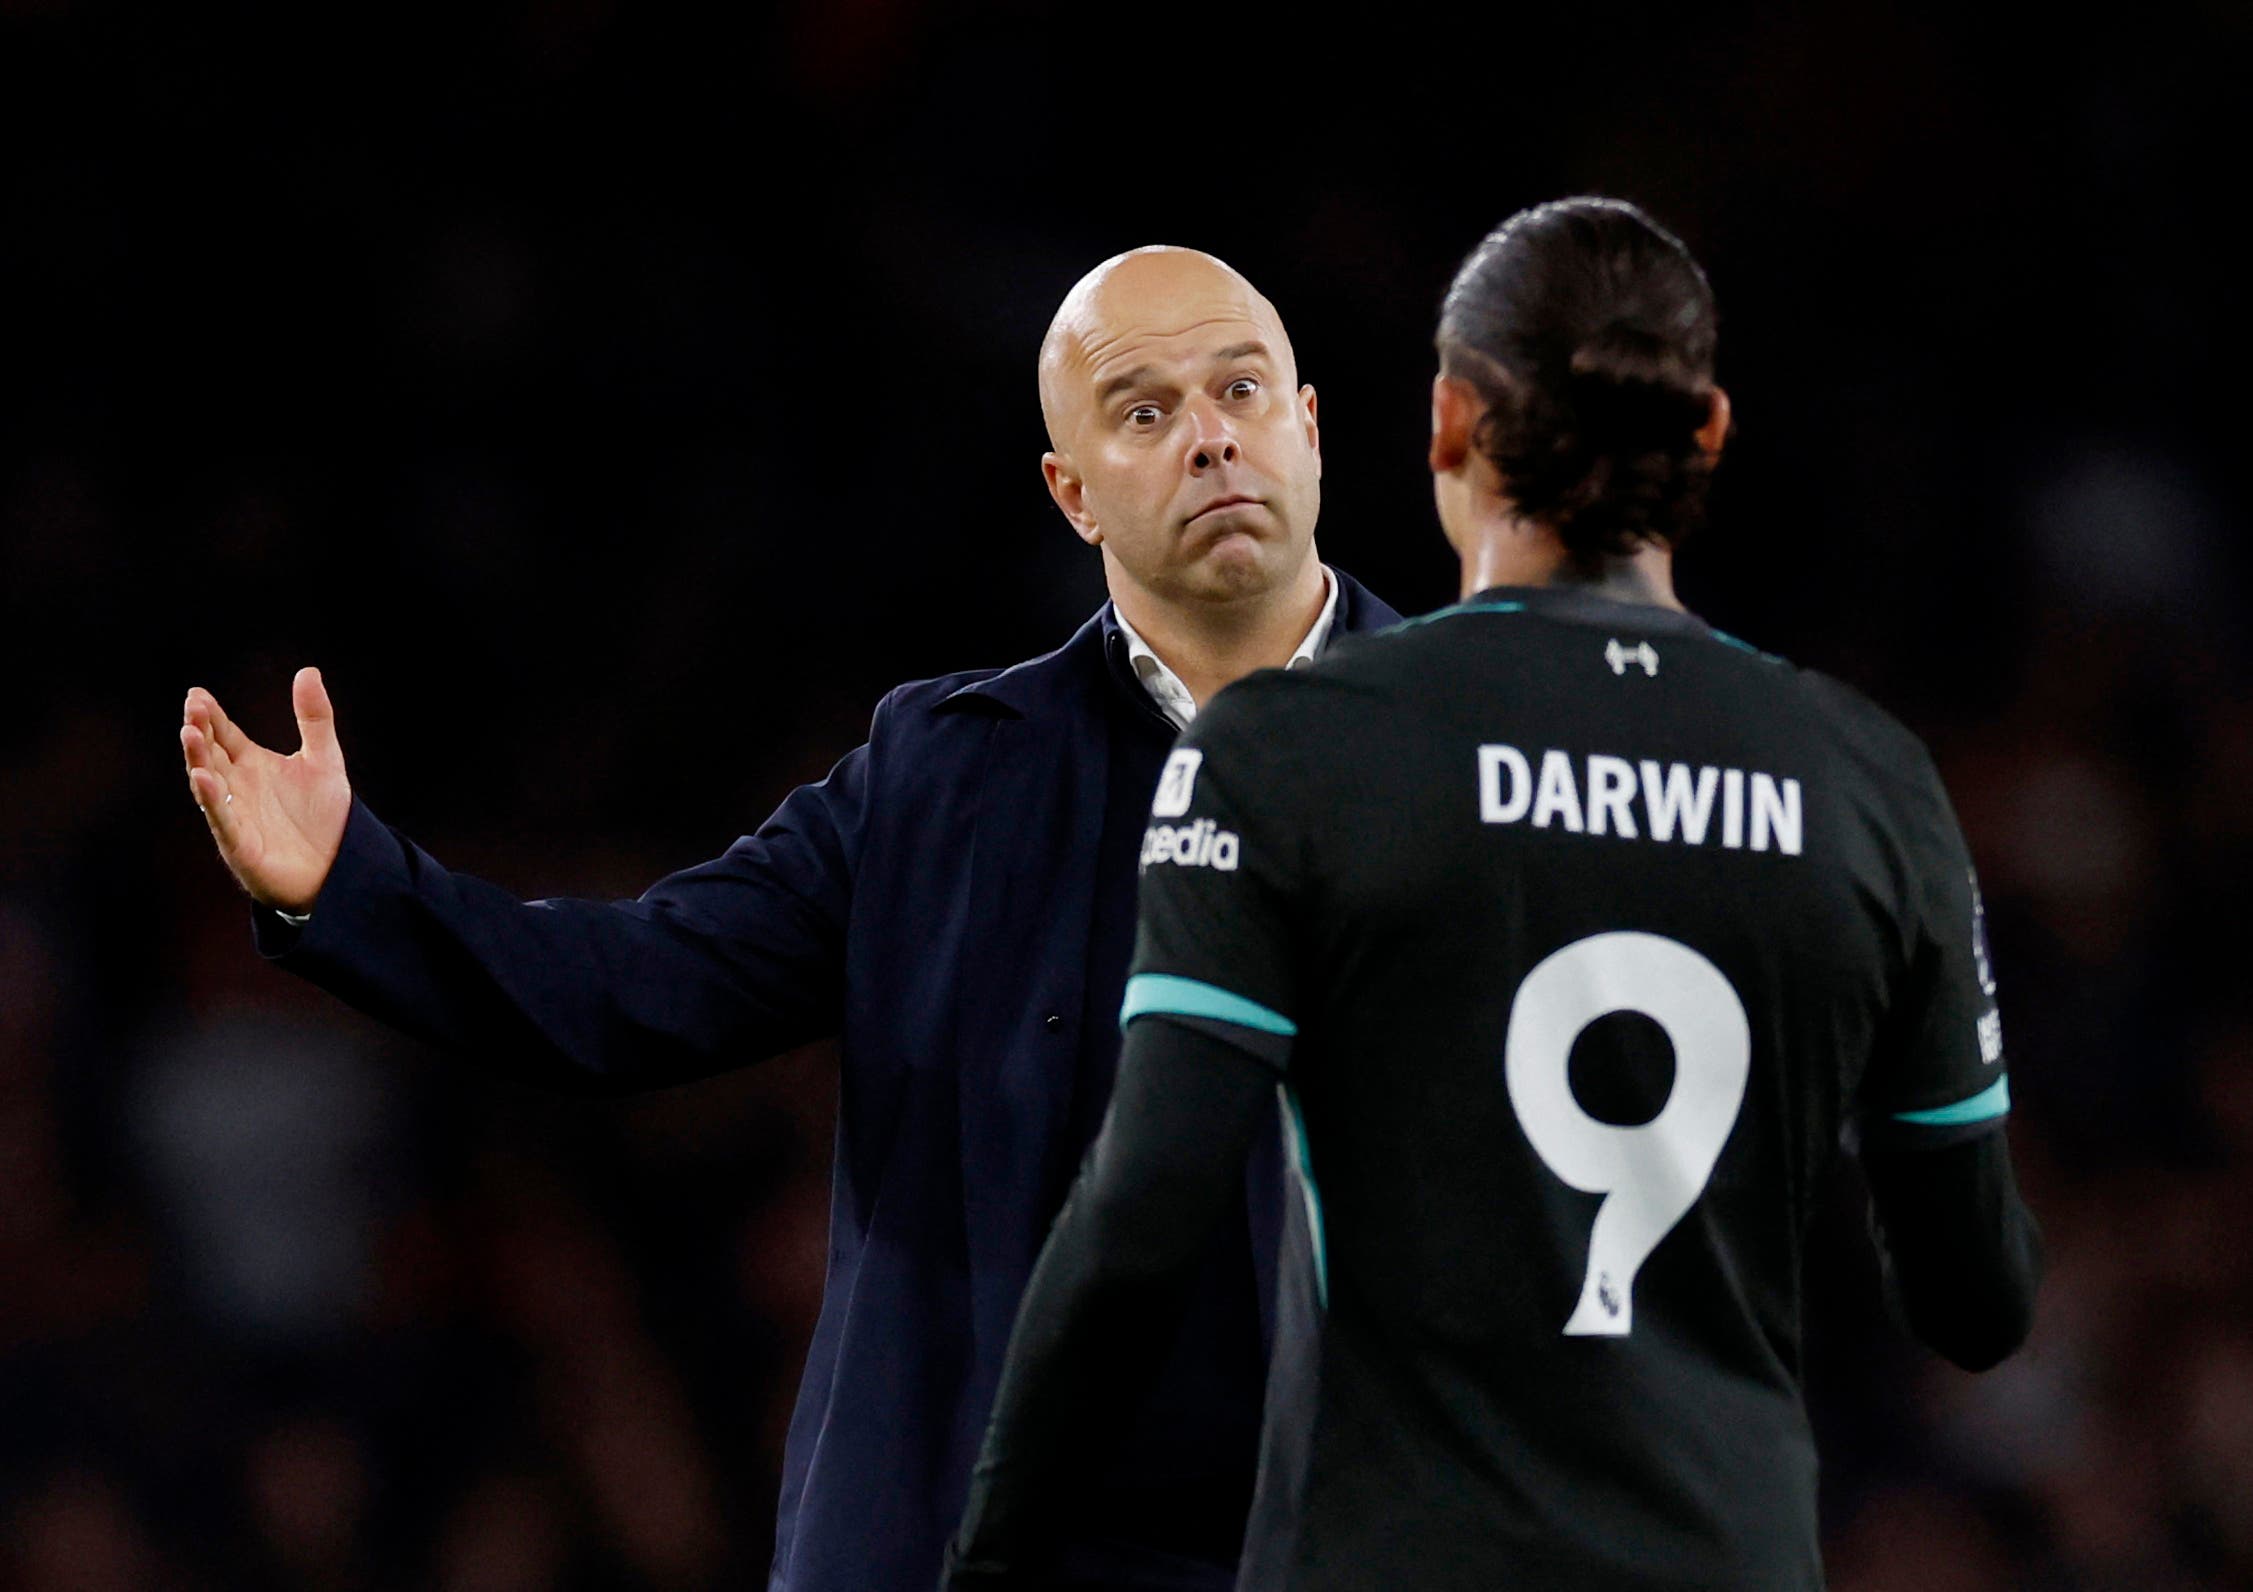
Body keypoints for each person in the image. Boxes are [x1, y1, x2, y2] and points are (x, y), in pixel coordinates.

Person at [177, 246, 1403, 1592]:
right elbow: (632, 989)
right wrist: (349, 886)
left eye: (1239, 388)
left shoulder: (1476, 763)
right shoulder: (945, 775)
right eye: (1145, 410)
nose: (1213, 439)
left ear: (1309, 426)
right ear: (1072, 494)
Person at [945, 199, 2043, 1591]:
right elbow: (1976, 1302)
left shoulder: (1292, 746)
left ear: (1450, 425)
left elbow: (1141, 1225)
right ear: (1704, 436)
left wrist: (987, 1558)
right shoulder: (1869, 778)